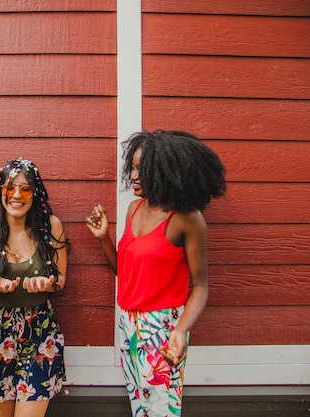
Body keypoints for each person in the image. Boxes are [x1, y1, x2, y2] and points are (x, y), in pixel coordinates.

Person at [86, 130, 226, 416]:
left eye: (143, 169)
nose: (134, 176)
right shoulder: (133, 209)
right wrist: (104, 239)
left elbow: (200, 286)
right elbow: (125, 274)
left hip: (162, 328)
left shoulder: (187, 219)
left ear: (165, 171)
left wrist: (181, 331)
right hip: (128, 324)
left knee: (162, 409)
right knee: (139, 407)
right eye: (133, 167)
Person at [0, 157, 70, 417]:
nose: (16, 195)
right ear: (0, 191)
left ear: (34, 193)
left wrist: (48, 284)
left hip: (40, 333)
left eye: (25, 189)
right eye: (9, 188)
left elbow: (60, 281)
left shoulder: (50, 226)